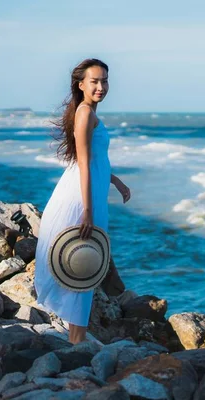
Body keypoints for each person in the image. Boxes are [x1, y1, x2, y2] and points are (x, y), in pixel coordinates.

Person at [34, 58, 131, 344]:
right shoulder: (85, 113)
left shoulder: (87, 112)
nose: (101, 86)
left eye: (104, 81)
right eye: (94, 81)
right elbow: (85, 165)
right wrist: (88, 210)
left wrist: (116, 180)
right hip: (81, 198)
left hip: (90, 192)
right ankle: (77, 340)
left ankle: (76, 336)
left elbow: (95, 160)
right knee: (83, 263)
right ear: (81, 85)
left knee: (84, 262)